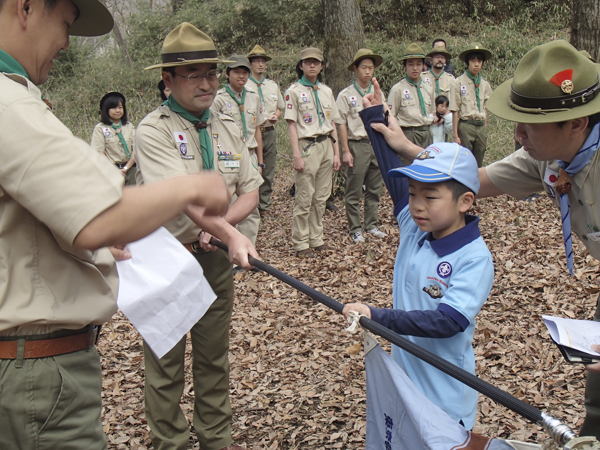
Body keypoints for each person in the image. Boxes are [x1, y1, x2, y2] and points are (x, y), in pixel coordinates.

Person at [0, 2, 238, 449]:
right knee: (167, 366)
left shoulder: (18, 99)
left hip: (33, 363)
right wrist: (192, 188)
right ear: (26, 7)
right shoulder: (8, 103)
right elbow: (100, 218)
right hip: (33, 371)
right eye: (65, 23)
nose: (66, 42)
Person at [361, 39, 600, 439]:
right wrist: (401, 145)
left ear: (575, 124)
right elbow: (472, 181)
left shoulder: (473, 259)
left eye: (529, 125)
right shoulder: (543, 155)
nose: (517, 135)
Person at [136, 23, 262, 450]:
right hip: (165, 258)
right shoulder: (153, 131)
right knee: (166, 363)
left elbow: (251, 188)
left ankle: (215, 438)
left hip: (213, 260)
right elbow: (183, 201)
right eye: (195, 75)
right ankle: (169, 443)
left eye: (212, 73)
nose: (207, 83)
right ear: (168, 81)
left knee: (213, 358)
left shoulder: (225, 123)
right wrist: (225, 229)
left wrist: (219, 231)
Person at [343, 140, 494, 429]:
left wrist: (377, 316)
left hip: (445, 399)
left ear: (465, 201)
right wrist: (376, 117)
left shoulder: (474, 258)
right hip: (406, 386)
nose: (417, 205)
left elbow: (446, 322)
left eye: (430, 197)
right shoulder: (416, 228)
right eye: (412, 194)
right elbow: (390, 173)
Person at [285, 47, 341, 258]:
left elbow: (332, 122)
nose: (312, 65)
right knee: (305, 196)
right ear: (301, 66)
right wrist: (296, 155)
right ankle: (301, 242)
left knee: (321, 196)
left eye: (316, 62)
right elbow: (291, 125)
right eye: (307, 62)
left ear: (321, 66)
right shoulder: (294, 91)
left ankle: (316, 238)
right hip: (306, 146)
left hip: (326, 143)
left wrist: (336, 152)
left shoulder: (326, 91)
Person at [212, 54, 265, 255]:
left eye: (245, 73)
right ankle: (228, 250)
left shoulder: (252, 96)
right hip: (228, 156)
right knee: (233, 205)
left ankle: (248, 250)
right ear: (227, 74)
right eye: (237, 72)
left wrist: (260, 161)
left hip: (250, 153)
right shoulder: (218, 100)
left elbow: (258, 129)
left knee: (252, 205)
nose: (241, 76)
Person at [335, 48, 387, 244]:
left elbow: (386, 116)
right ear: (355, 69)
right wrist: (345, 150)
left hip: (376, 143)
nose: (367, 71)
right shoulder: (346, 95)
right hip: (358, 144)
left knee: (375, 187)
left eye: (371, 68)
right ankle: (355, 228)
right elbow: (341, 123)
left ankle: (371, 224)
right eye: (364, 67)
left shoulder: (377, 93)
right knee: (354, 189)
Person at [246, 44, 285, 218]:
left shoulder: (271, 85)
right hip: (250, 133)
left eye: (263, 61)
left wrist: (276, 115)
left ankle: (264, 206)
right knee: (250, 169)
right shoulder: (244, 85)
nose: (260, 64)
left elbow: (280, 108)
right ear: (250, 64)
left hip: (269, 131)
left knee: (268, 170)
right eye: (257, 61)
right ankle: (249, 206)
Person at [451, 43, 493, 167]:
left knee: (479, 159)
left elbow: (485, 109)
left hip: (480, 126)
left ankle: (476, 184)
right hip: (466, 126)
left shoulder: (485, 84)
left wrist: (485, 131)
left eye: (479, 61)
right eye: (473, 61)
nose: (476, 64)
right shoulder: (458, 83)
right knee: (465, 159)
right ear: (467, 62)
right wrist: (455, 135)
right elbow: (455, 110)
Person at [388, 43, 436, 148]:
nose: (415, 68)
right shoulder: (398, 90)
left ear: (424, 65)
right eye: (410, 64)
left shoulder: (429, 88)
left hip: (427, 134)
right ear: (405, 66)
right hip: (408, 134)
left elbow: (432, 111)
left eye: (419, 64)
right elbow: (390, 117)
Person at [91, 91, 137, 185]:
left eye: (120, 107)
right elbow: (99, 153)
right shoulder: (100, 128)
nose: (118, 110)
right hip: (110, 170)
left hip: (130, 169)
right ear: (106, 109)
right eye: (114, 108)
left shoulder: (129, 126)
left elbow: (136, 149)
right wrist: (114, 170)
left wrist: (126, 168)